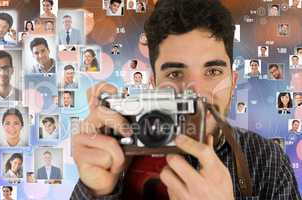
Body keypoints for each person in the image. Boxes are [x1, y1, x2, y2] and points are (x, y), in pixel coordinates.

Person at [70, 0, 301, 199]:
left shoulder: (267, 160)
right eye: (175, 74)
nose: (195, 92)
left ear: (232, 82)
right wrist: (97, 193)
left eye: (212, 72)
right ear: (154, 86)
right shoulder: (117, 154)